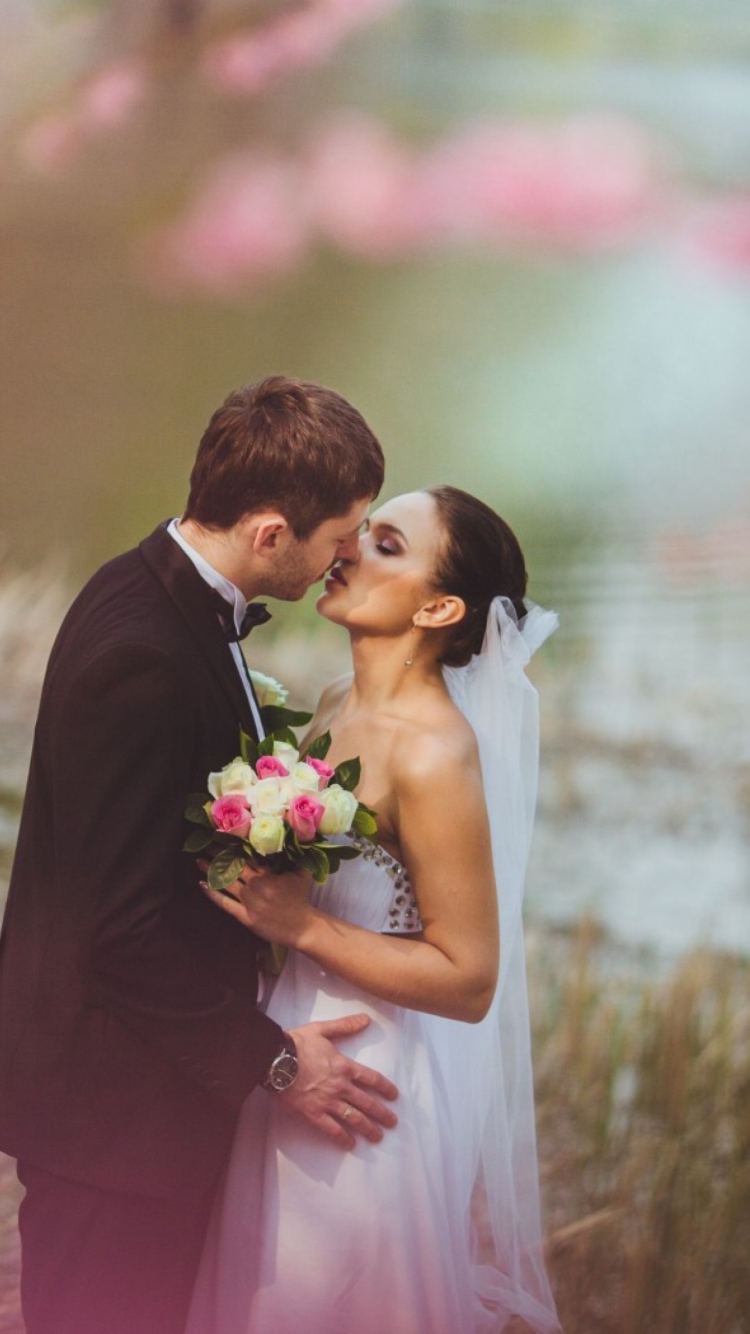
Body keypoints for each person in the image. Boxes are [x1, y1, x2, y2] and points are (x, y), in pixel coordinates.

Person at [0, 376, 400, 1334]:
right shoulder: (141, 655)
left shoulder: (152, 587)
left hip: (138, 1098)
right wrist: (275, 1064)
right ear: (270, 533)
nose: (344, 556)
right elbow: (118, 932)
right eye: (339, 535)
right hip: (111, 1115)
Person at [188, 486, 561, 1334]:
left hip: (362, 1089)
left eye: (386, 543)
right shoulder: (333, 704)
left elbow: (469, 979)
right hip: (285, 1051)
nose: (349, 547)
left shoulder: (433, 752)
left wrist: (303, 926)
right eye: (362, 531)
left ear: (439, 606)